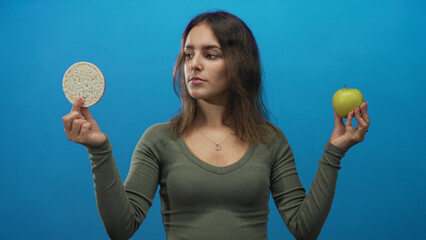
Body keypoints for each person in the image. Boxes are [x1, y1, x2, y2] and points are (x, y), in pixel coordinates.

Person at [62, 11, 370, 240]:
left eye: (210, 54)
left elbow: (304, 229)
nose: (194, 64)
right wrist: (98, 150)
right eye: (188, 54)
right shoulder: (159, 140)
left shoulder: (270, 140)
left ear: (239, 64)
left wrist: (334, 153)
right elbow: (121, 228)